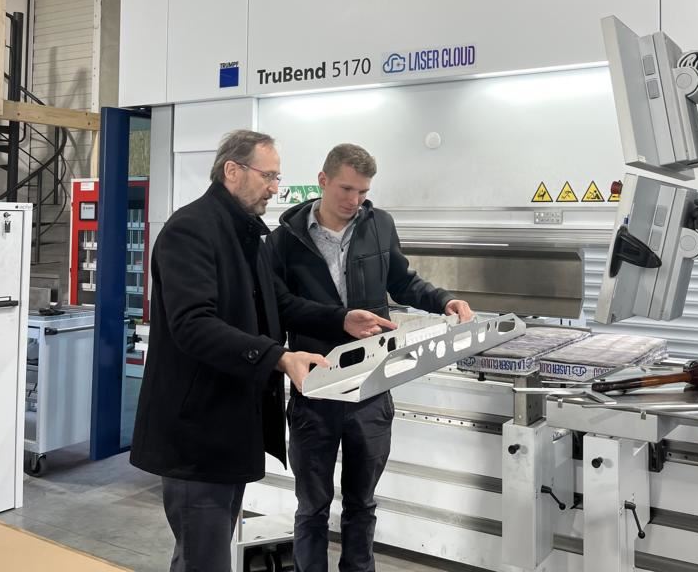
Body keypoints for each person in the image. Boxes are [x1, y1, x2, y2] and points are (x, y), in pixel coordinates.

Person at [131, 130, 371, 572]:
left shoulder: (246, 235)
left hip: (229, 428)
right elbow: (193, 325)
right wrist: (278, 357)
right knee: (204, 560)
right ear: (232, 171)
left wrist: (340, 319)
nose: (275, 188)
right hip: (196, 434)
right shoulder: (190, 230)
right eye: (269, 176)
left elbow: (279, 303)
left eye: (277, 177)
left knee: (208, 555)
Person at [268, 143, 473, 572]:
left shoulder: (379, 225)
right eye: (346, 189)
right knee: (312, 507)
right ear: (322, 181)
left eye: (363, 192)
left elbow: (403, 282)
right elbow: (280, 307)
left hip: (372, 387)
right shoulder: (284, 240)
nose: (355, 200)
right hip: (315, 389)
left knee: (362, 503)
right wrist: (334, 323)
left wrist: (444, 300)